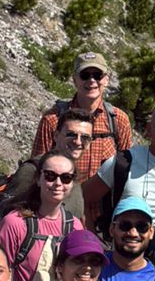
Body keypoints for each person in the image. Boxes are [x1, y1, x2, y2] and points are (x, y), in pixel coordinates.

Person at [32, 54, 132, 187]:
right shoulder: (52, 120)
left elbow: (126, 168)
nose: (91, 80)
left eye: (97, 75)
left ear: (106, 80)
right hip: (63, 203)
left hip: (105, 205)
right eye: (85, 75)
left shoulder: (119, 120)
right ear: (75, 79)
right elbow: (37, 167)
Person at [96, 103, 155, 232]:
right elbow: (85, 198)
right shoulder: (122, 162)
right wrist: (93, 241)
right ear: (149, 130)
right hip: (126, 247)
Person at [0, 151, 78, 281]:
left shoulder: (75, 227)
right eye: (50, 176)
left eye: (66, 178)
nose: (58, 183)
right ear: (38, 179)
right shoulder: (15, 222)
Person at [0, 106, 94, 215]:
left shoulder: (73, 176)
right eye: (71, 134)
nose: (78, 142)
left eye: (85, 137)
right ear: (56, 136)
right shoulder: (33, 170)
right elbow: (10, 216)